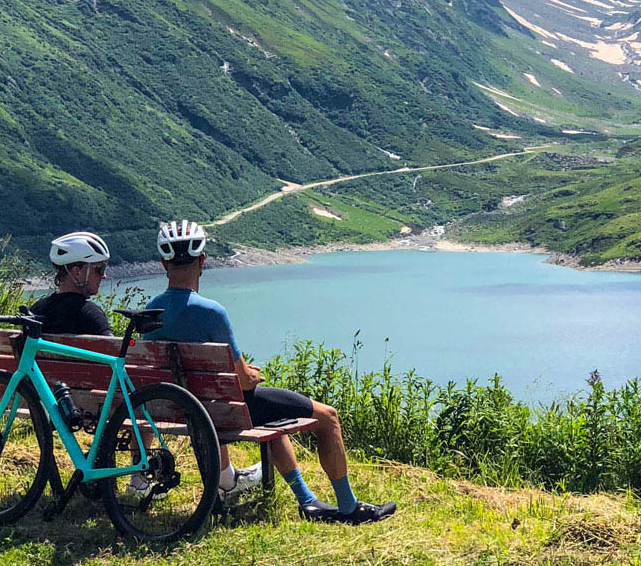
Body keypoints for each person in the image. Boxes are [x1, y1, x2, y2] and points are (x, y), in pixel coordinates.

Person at [142, 219, 396, 525]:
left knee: (271, 414)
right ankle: (348, 507)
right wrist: (252, 375)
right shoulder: (211, 312)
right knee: (327, 417)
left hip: (179, 409)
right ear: (202, 260)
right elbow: (244, 382)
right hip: (225, 411)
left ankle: (308, 501)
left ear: (163, 263)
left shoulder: (150, 311)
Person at [31, 232, 262, 496]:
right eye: (99, 269)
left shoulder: (38, 311)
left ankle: (134, 481)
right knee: (141, 397)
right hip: (102, 405)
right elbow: (120, 373)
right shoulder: (90, 315)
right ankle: (211, 481)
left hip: (54, 403)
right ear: (76, 271)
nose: (104, 276)